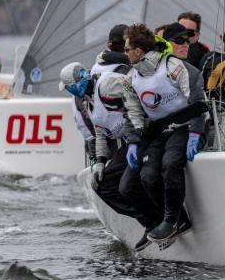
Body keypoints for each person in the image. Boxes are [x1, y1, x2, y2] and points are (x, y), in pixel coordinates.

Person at [59, 61, 162, 251]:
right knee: (102, 185)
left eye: (68, 88)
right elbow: (100, 133)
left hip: (147, 135)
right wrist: (100, 162)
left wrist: (132, 140)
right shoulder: (89, 102)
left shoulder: (107, 85)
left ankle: (159, 219)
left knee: (125, 186)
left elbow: (134, 102)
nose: (69, 92)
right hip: (133, 143)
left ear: (74, 85)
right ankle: (150, 220)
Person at [120, 24, 207, 247]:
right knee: (147, 177)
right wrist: (133, 143)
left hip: (185, 127)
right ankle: (170, 221)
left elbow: (197, 100)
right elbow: (133, 113)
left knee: (170, 164)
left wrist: (196, 131)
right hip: (160, 132)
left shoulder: (172, 66)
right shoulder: (131, 79)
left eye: (127, 48)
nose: (125, 52)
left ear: (138, 51)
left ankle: (172, 220)